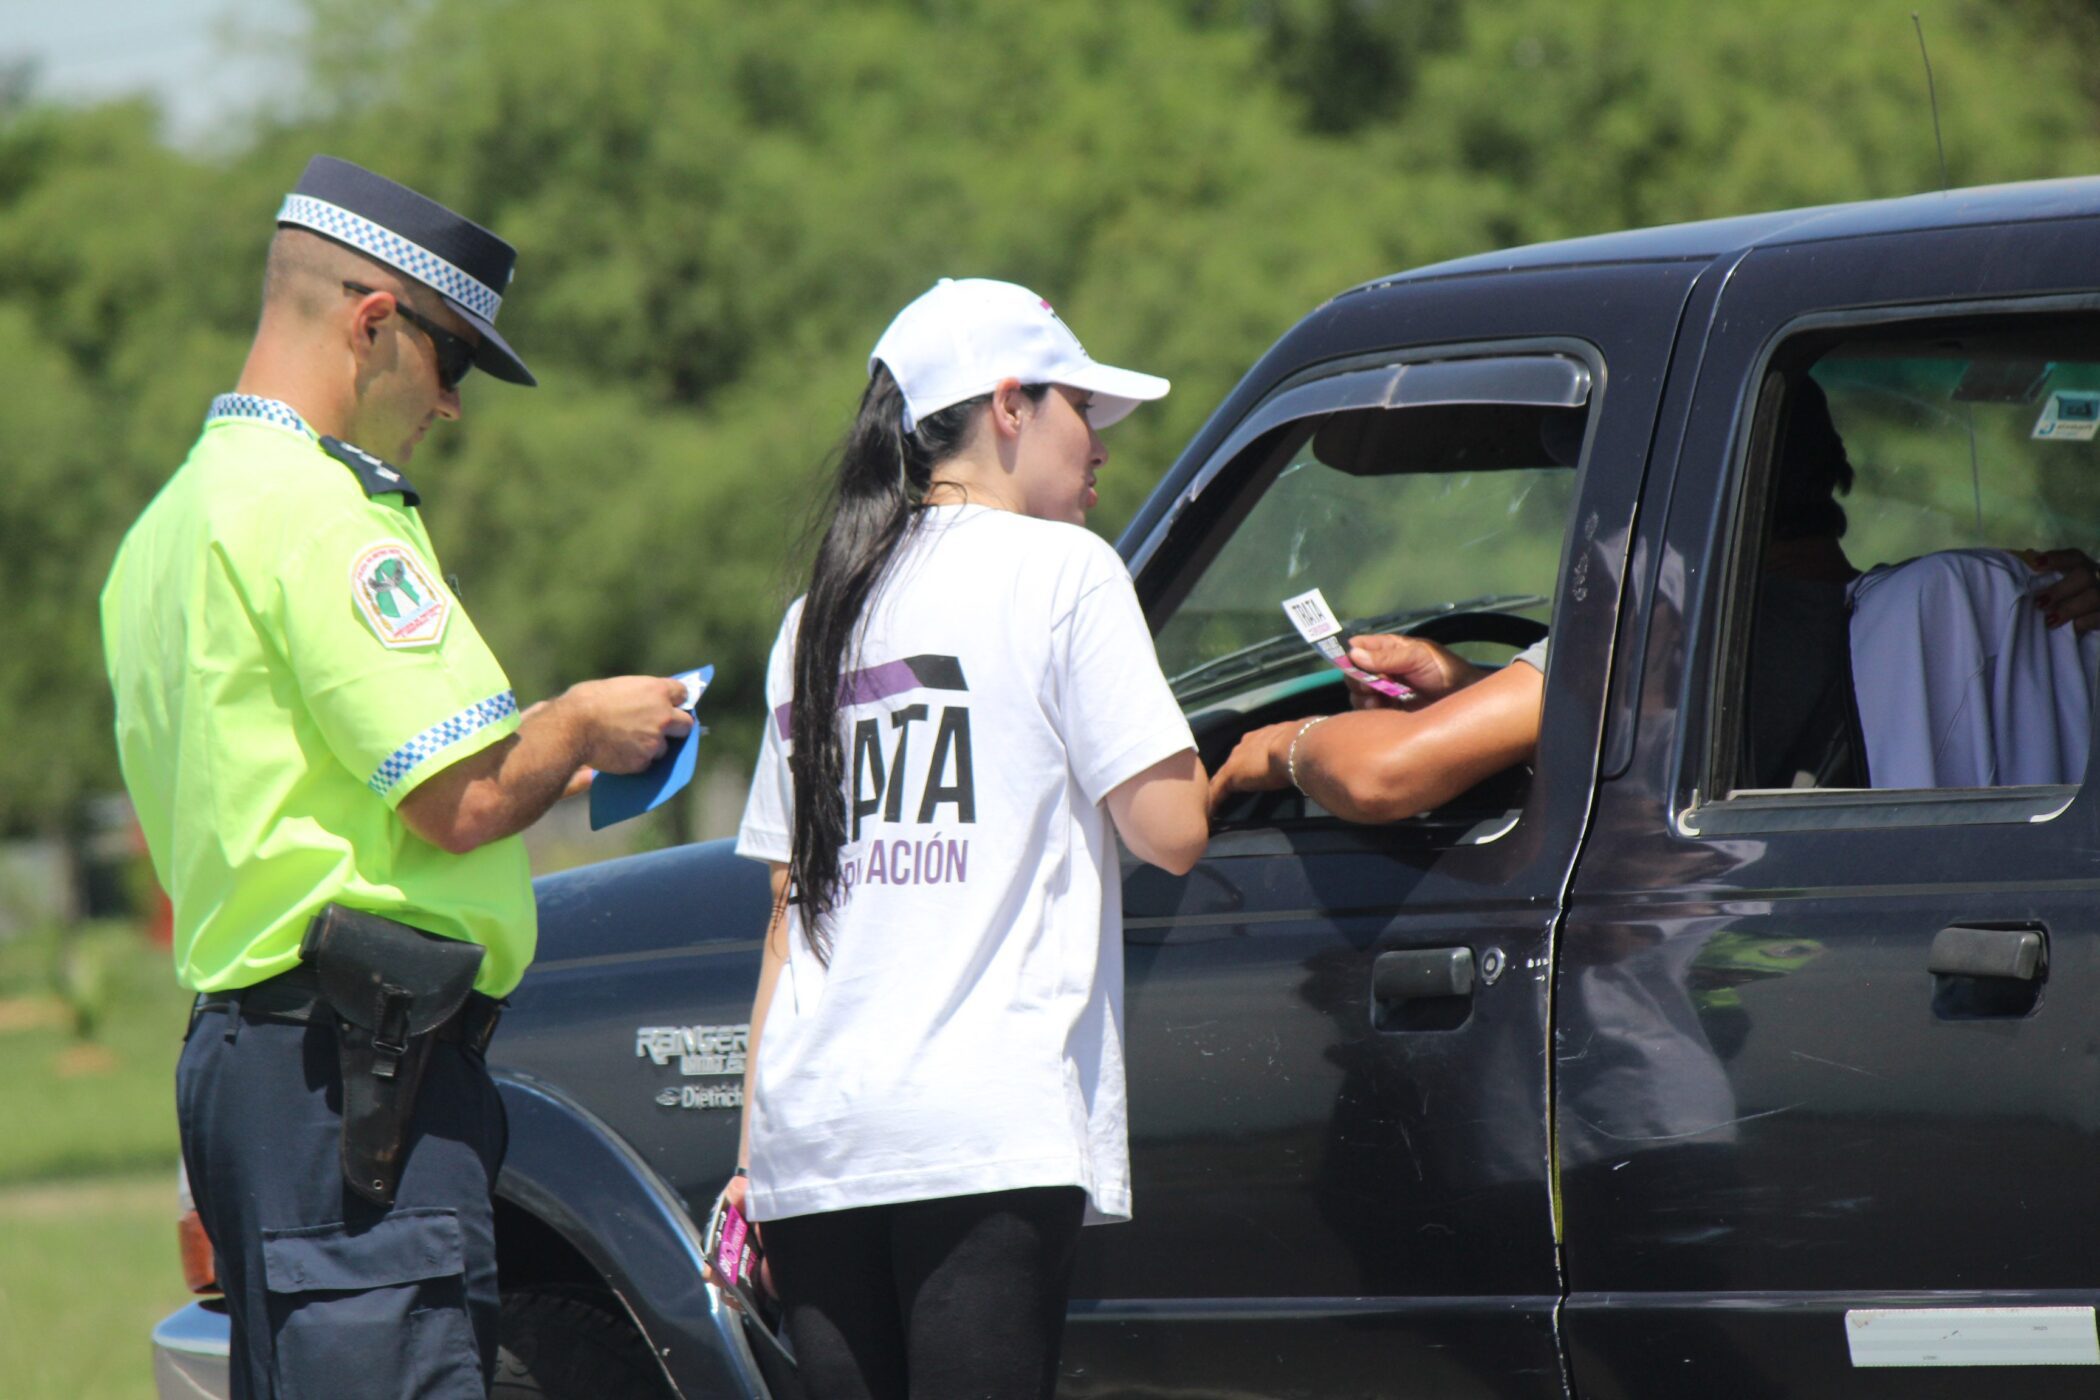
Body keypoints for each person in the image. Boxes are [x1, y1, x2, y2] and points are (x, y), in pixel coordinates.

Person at [99, 156, 695, 1398]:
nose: (455, 406)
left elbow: (326, 780)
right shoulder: (323, 516)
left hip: (250, 1067)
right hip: (360, 1087)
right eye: (454, 361)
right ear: (373, 323)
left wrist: (551, 748)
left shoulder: (170, 525)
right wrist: (579, 721)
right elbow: (462, 800)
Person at [723, 278, 1210, 1399]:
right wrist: (1267, 756)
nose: (1103, 447)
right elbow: (1172, 829)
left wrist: (751, 1159)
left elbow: (790, 918)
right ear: (1008, 405)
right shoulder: (1066, 573)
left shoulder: (817, 612)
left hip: (813, 1145)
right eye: (1082, 407)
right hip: (983, 1133)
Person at [1209, 378, 2100, 816]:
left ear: (1657, 506)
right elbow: (1614, 709)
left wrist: (1279, 747)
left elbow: (1384, 773)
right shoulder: (1893, 618)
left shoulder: (1666, 634)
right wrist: (1462, 679)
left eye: (1593, 496)